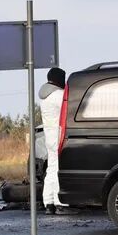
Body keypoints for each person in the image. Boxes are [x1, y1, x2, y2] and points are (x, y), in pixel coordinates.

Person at [40, 67, 69, 214]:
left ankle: (48, 202)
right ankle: (60, 203)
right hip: (58, 136)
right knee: (59, 168)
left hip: (49, 136)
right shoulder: (58, 95)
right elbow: (69, 109)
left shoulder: (44, 96)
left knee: (51, 168)